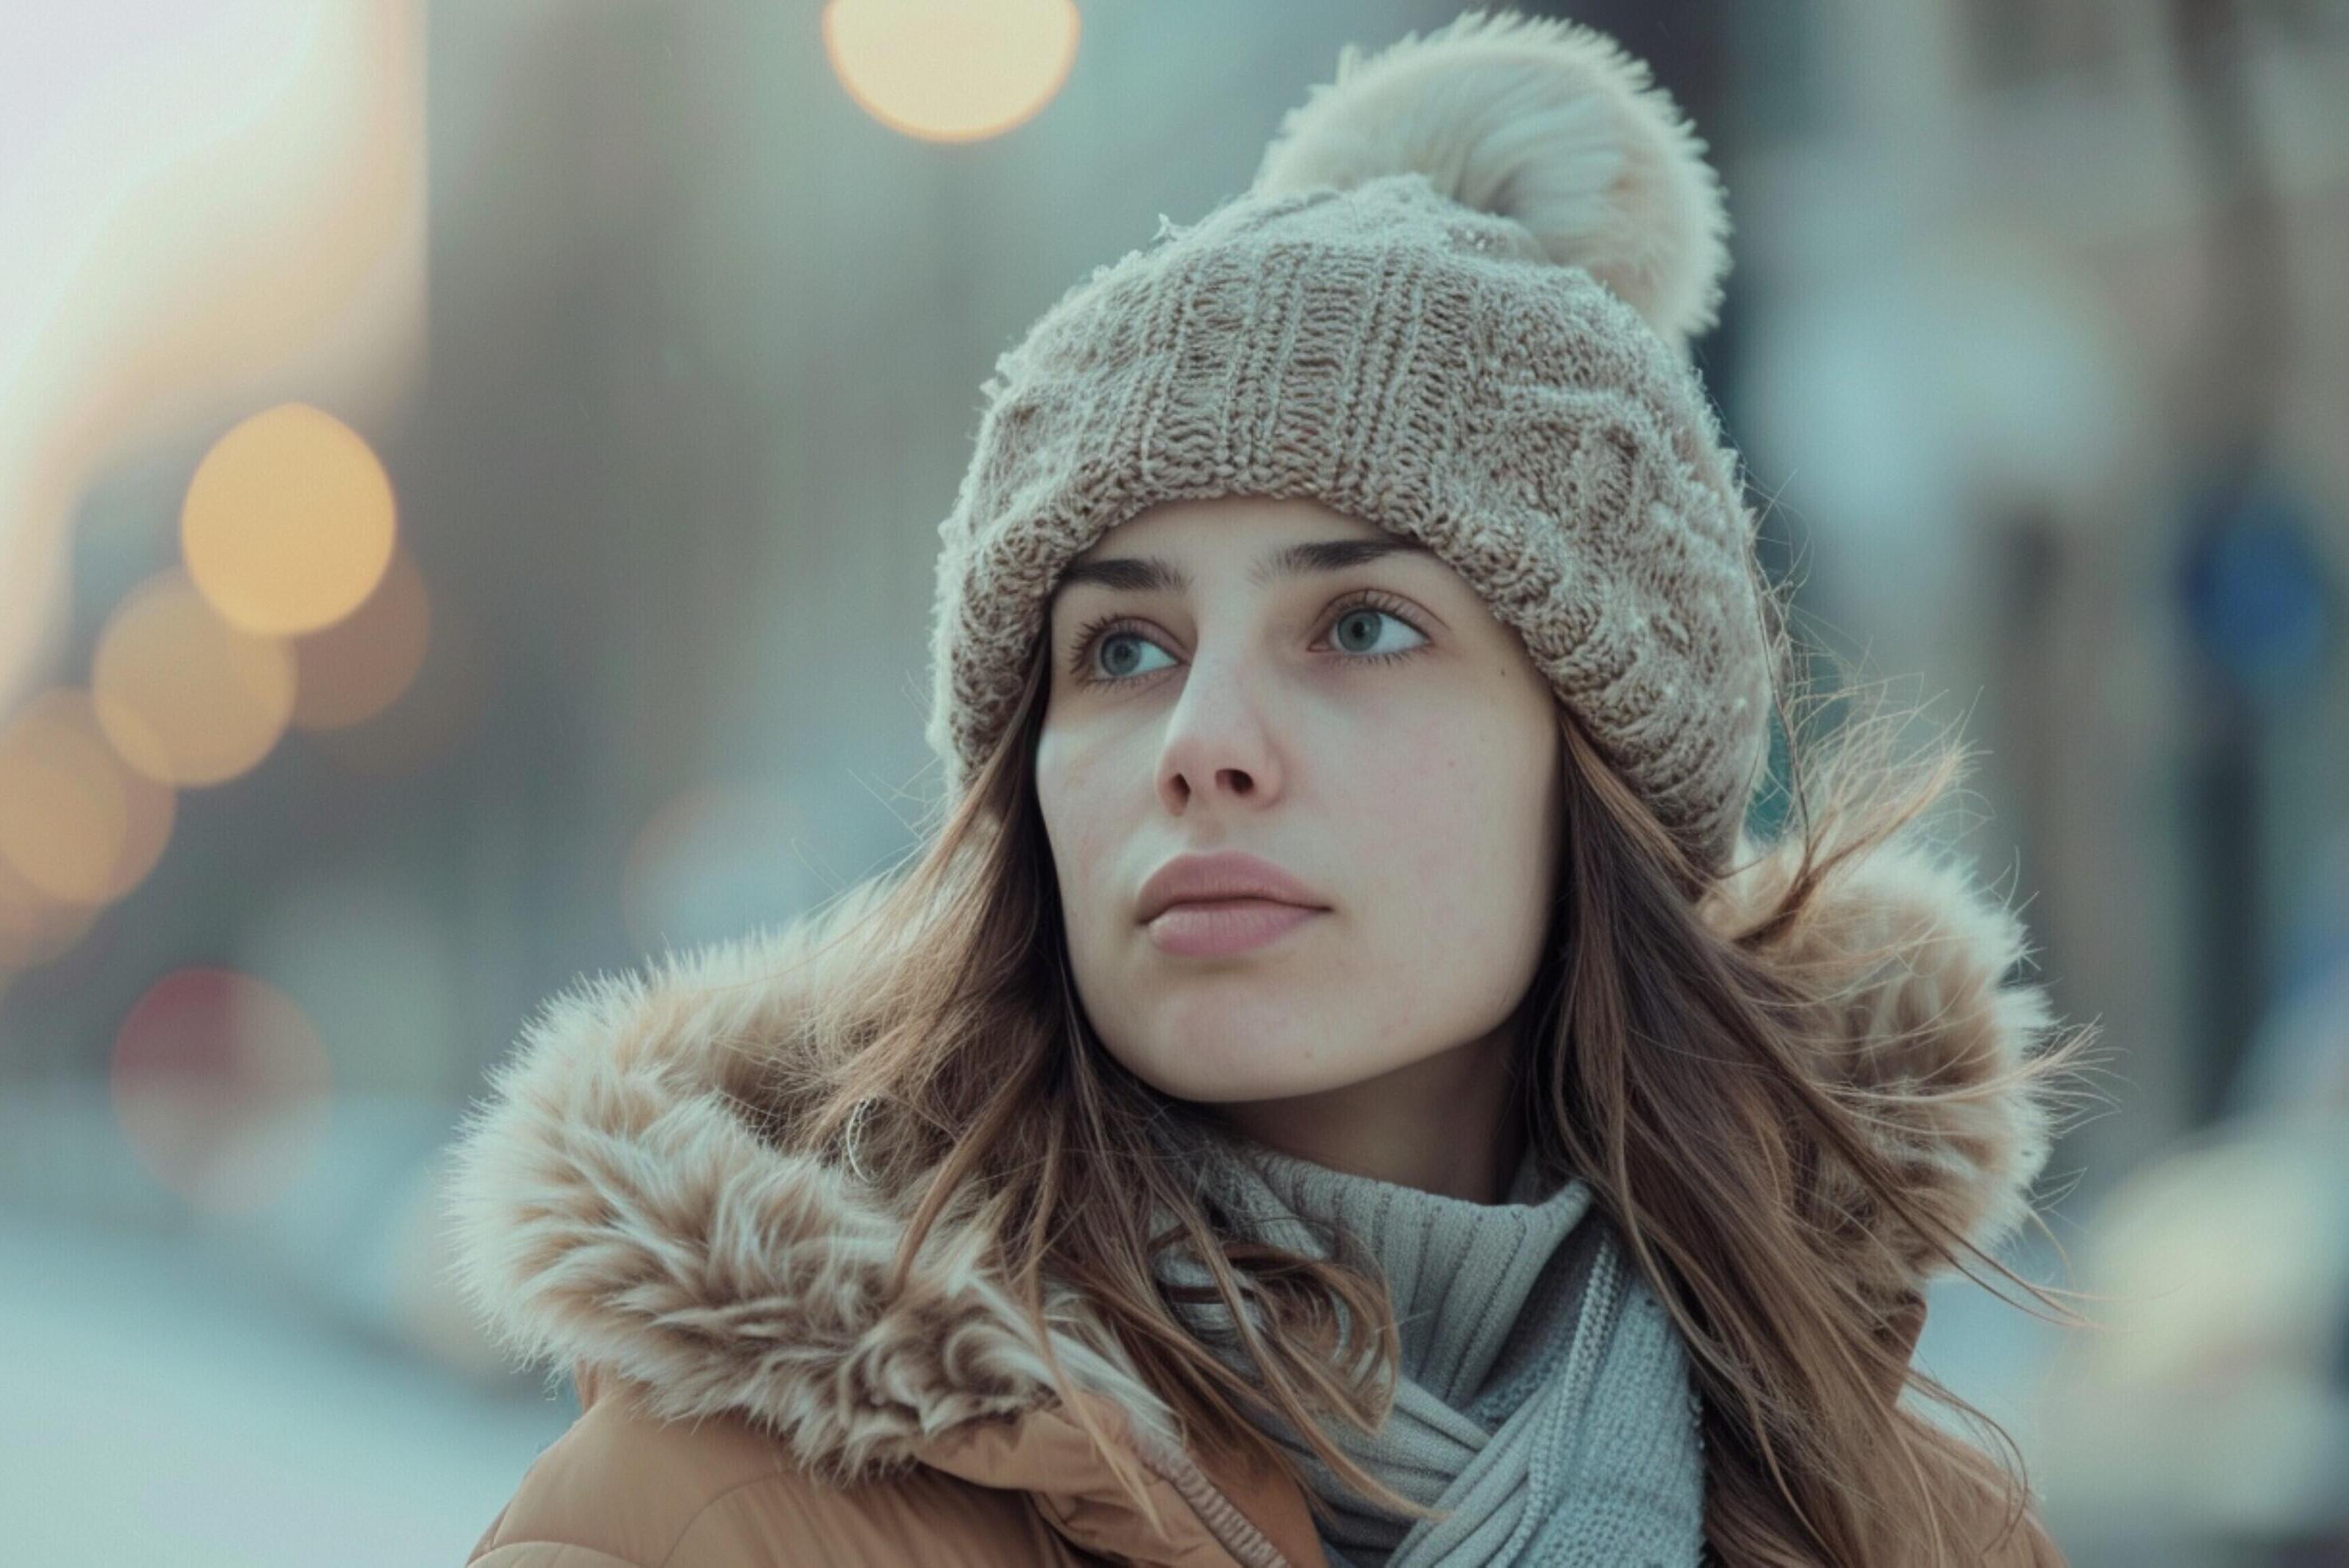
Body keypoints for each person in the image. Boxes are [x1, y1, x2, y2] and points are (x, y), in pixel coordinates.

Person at [447, 13, 2089, 1565]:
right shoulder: (696, 1520)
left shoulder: (1904, 1525)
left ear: (1600, 762)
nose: (1201, 736)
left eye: (1363, 625)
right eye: (1123, 648)